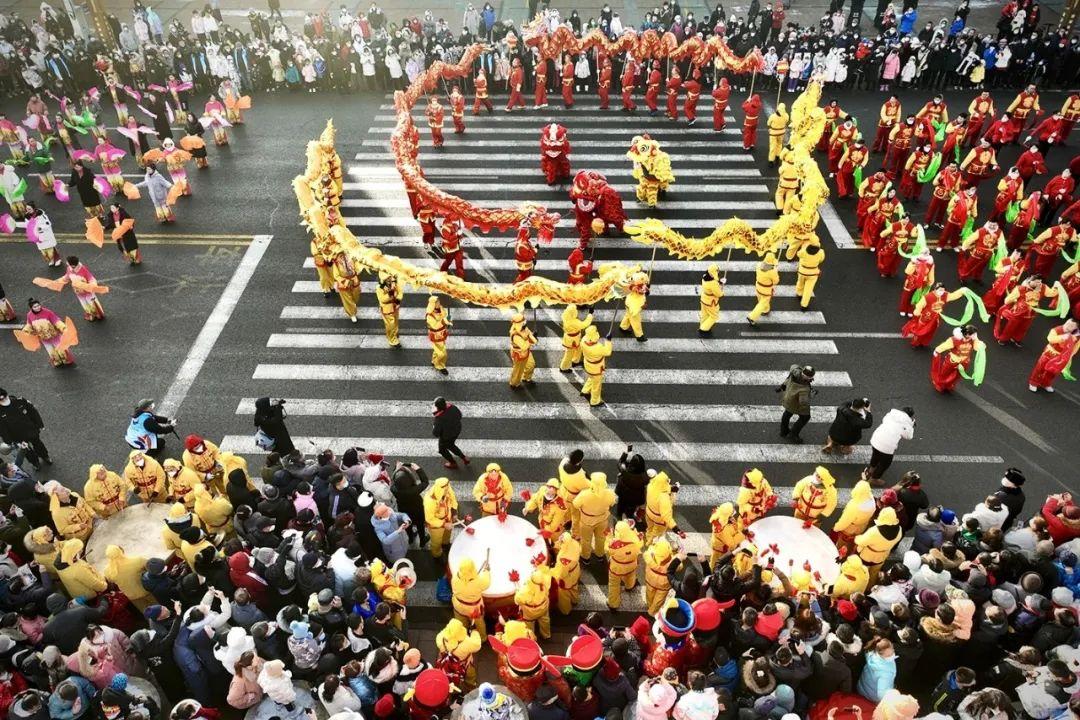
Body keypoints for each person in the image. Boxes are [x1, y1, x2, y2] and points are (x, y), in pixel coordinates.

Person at [863, 407, 915, 485]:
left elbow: (884, 420)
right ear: (910, 416)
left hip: (876, 438)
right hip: (887, 446)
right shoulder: (906, 424)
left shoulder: (891, 414)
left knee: (875, 454)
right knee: (885, 463)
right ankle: (874, 478)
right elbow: (909, 436)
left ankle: (871, 469)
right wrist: (911, 425)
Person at [0, 389, 50, 468]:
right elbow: (2, 430)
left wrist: (39, 424)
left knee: (38, 444)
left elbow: (33, 412)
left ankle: (45, 456)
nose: (3, 399)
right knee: (27, 451)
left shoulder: (20, 401)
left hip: (31, 430)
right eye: (0, 399)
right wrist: (9, 441)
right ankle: (35, 463)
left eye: (4, 397)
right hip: (17, 437)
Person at [1028, 319, 1080, 393]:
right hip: (1049, 353)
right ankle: (1033, 382)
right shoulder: (1057, 330)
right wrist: (1062, 338)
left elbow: (1075, 347)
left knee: (1053, 371)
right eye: (1067, 323)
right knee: (1040, 367)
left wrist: (1070, 356)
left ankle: (1045, 383)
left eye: (1071, 326)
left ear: (1075, 328)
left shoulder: (1077, 337)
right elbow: (1050, 339)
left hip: (1060, 358)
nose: (1067, 326)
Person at [21, 298, 74, 368]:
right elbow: (29, 325)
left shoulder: (47, 312)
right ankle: (57, 361)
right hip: (43, 338)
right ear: (31, 308)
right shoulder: (29, 315)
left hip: (54, 335)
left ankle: (66, 360)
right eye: (35, 307)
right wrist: (25, 331)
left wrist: (63, 327)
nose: (37, 308)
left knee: (61, 349)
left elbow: (56, 321)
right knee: (51, 351)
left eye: (38, 305)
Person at [777, 364, 814, 444]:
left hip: (788, 397)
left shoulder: (794, 373)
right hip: (795, 403)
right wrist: (812, 395)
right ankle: (793, 434)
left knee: (787, 413)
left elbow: (793, 367)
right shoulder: (804, 389)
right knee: (805, 417)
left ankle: (784, 431)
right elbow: (803, 403)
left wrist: (781, 387)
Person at [432, 396, 468, 469]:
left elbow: (436, 433)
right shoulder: (452, 407)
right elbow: (460, 416)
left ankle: (453, 463)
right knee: (451, 445)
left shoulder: (439, 418)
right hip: (457, 430)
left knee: (442, 450)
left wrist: (434, 426)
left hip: (446, 436)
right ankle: (464, 458)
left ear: (438, 407)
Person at [426, 296, 451, 375]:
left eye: (438, 301)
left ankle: (434, 361)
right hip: (436, 335)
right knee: (442, 353)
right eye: (436, 302)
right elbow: (435, 326)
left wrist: (448, 320)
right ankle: (440, 366)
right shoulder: (429, 316)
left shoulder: (441, 309)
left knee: (438, 350)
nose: (438, 303)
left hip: (442, 333)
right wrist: (444, 321)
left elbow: (445, 316)